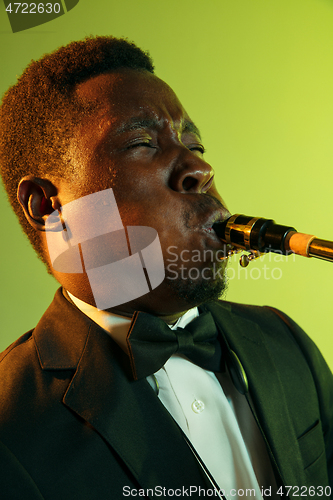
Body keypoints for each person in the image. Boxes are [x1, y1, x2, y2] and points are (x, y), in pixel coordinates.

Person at [0, 35, 332, 500]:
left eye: (194, 143)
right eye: (140, 142)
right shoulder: (10, 427)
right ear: (47, 205)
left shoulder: (285, 341)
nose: (199, 166)